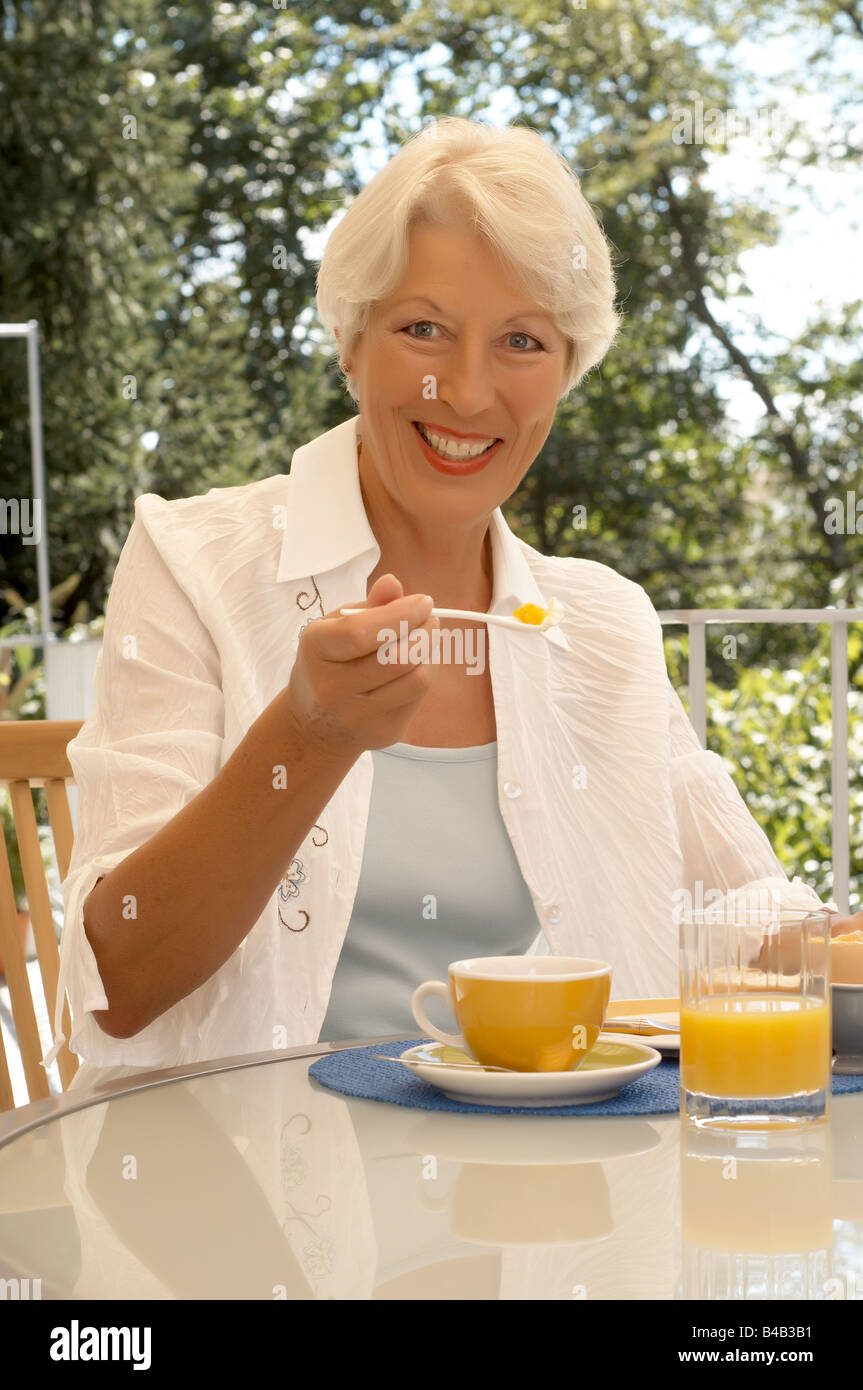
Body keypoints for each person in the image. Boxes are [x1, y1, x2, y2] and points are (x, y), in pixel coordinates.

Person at [43, 116, 858, 1089]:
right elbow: (116, 982)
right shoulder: (191, 560)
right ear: (350, 341)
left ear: (564, 372)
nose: (466, 391)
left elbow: (751, 919)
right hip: (238, 1196)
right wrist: (307, 736)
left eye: (520, 340)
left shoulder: (599, 620)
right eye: (421, 328)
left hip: (539, 1205)